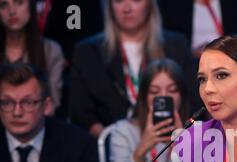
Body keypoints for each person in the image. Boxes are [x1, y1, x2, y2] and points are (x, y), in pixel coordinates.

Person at [68, 0, 193, 137]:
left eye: (136, 0)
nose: (127, 8)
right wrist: (114, 142)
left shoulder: (176, 46)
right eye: (119, 1)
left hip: (168, 142)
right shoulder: (87, 52)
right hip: (110, 144)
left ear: (150, 4)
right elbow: (81, 112)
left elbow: (191, 101)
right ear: (109, 6)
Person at [0, 0, 65, 112]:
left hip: (40, 125)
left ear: (31, 5)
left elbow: (53, 102)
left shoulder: (51, 50)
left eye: (19, 2)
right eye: (3, 5)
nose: (11, 11)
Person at [158, 0, 237, 58]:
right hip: (188, 65)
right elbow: (168, 42)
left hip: (229, 60)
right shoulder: (170, 4)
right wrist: (191, 53)